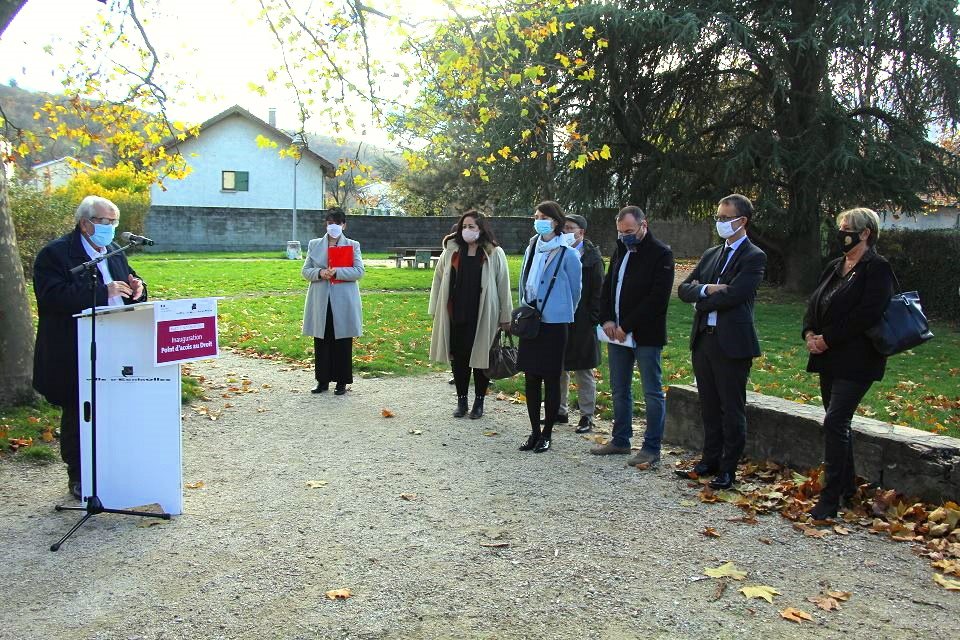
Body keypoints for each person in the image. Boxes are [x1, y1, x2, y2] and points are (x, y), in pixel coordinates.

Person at [32, 195, 147, 500]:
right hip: (72, 347)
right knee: (79, 410)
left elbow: (130, 279)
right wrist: (101, 291)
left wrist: (139, 288)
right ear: (85, 224)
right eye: (103, 222)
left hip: (115, 342)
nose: (109, 229)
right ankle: (79, 476)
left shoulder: (114, 251)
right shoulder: (55, 254)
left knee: (112, 409)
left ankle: (113, 467)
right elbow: (52, 297)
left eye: (113, 223)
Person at [802, 207, 894, 520]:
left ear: (865, 233)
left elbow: (866, 314)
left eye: (848, 227)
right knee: (837, 422)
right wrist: (810, 332)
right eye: (841, 226)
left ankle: (829, 500)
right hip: (827, 357)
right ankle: (846, 490)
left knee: (835, 422)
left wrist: (828, 338)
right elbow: (814, 301)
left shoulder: (877, 268)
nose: (842, 232)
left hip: (858, 359)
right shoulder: (835, 266)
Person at [676, 194, 766, 489]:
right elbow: (684, 289)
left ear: (743, 221)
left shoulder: (753, 256)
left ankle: (728, 469)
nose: (721, 223)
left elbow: (736, 295)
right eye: (718, 217)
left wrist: (701, 298)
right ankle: (709, 460)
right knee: (709, 406)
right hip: (704, 340)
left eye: (727, 218)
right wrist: (707, 291)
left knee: (731, 407)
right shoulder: (711, 254)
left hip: (732, 343)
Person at [591, 206, 674, 467]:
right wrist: (606, 320)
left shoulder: (661, 254)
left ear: (643, 226)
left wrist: (626, 325)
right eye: (620, 232)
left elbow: (657, 299)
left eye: (629, 231)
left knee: (652, 391)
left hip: (645, 334)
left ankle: (651, 448)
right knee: (619, 388)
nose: (624, 236)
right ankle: (621, 439)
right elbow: (607, 288)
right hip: (616, 334)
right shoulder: (620, 250)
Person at [428, 211, 512, 418]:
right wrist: (435, 310)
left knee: (482, 359)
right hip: (456, 312)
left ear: (481, 229)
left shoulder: (494, 252)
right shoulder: (451, 251)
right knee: (459, 358)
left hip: (484, 313)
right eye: (464, 226)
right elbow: (438, 280)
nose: (467, 230)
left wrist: (506, 315)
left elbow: (503, 285)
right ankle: (462, 400)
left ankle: (479, 402)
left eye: (471, 226)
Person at [516, 201, 582, 453]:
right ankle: (533, 431)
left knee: (552, 378)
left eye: (543, 216)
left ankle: (547, 433)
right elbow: (524, 279)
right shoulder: (532, 246)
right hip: (531, 320)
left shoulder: (568, 253)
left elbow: (576, 290)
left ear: (555, 220)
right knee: (531, 377)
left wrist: (563, 311)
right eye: (536, 216)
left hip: (555, 323)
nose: (538, 219)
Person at [302, 208, 364, 395]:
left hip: (343, 300)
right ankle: (322, 380)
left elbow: (359, 271)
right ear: (326, 224)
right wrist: (320, 273)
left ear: (344, 225)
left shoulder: (353, 245)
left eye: (337, 223)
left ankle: (342, 381)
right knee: (321, 339)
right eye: (330, 223)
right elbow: (305, 271)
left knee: (343, 341)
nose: (333, 226)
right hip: (321, 299)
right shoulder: (314, 244)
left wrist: (337, 271)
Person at [558, 214, 603, 433]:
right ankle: (560, 409)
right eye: (563, 227)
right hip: (560, 317)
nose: (565, 231)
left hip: (583, 320)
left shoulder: (593, 258)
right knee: (559, 367)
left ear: (581, 232)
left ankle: (587, 415)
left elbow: (598, 292)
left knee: (584, 370)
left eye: (569, 228)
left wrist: (592, 318)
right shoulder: (559, 252)